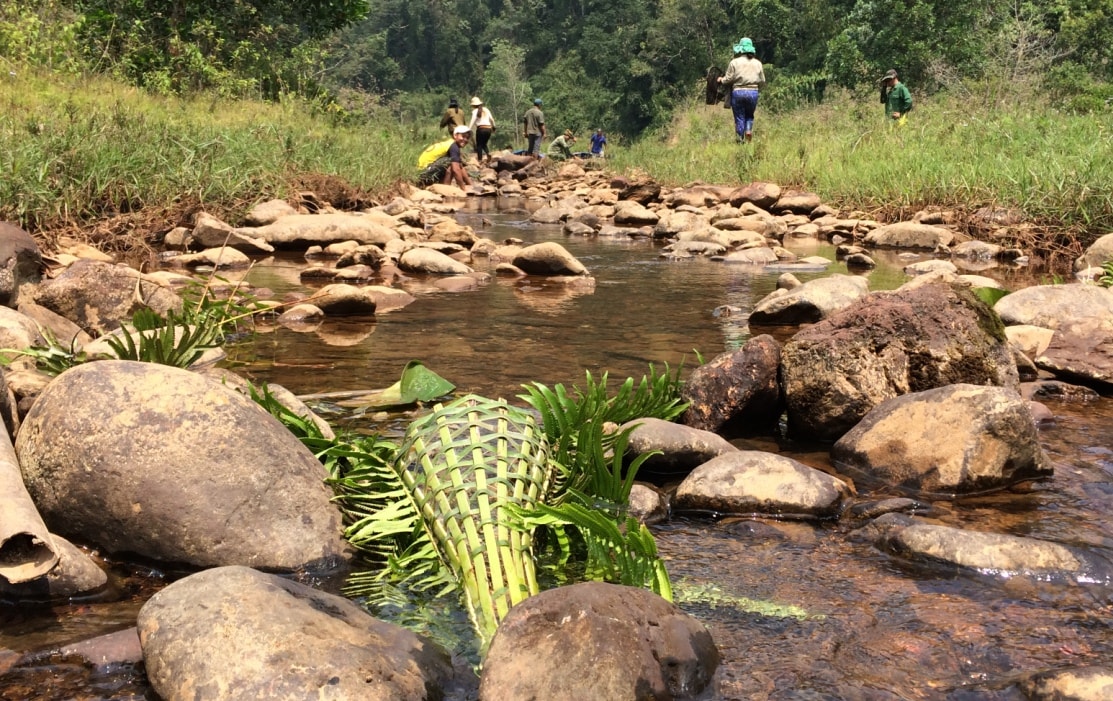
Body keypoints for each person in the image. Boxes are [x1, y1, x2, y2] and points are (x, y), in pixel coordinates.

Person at [716, 37, 765, 143]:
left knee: (739, 117)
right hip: (753, 93)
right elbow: (762, 81)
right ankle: (748, 130)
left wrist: (721, 80)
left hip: (738, 92)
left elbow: (728, 79)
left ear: (741, 49)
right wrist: (755, 89)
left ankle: (740, 140)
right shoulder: (758, 63)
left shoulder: (734, 62)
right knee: (749, 116)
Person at [468, 96, 496, 164]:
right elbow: (492, 119)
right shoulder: (486, 109)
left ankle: (480, 160)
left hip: (481, 129)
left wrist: (468, 129)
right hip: (488, 129)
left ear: (473, 105)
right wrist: (494, 127)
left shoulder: (475, 111)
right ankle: (488, 153)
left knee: (479, 145)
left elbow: (473, 120)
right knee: (484, 144)